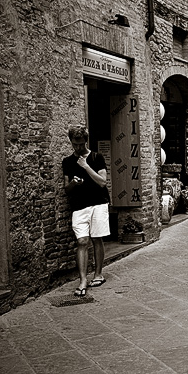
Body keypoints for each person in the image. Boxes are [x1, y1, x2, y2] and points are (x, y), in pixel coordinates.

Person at [62, 125, 110, 296]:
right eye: (75, 144)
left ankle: (98, 274)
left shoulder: (97, 158)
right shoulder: (67, 162)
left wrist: (86, 166)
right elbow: (66, 188)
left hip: (98, 203)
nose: (78, 148)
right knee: (82, 241)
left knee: (97, 239)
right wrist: (74, 183)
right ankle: (82, 280)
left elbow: (103, 182)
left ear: (86, 142)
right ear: (71, 142)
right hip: (79, 206)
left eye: (81, 144)